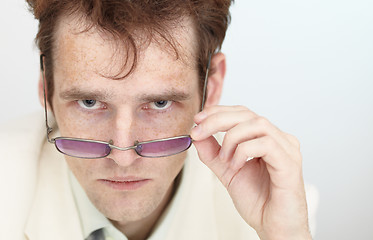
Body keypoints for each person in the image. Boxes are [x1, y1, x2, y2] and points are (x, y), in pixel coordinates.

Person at [0, 0, 317, 239]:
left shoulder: (275, 205)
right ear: (46, 89)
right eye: (89, 102)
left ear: (212, 85)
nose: (123, 157)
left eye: (160, 103)